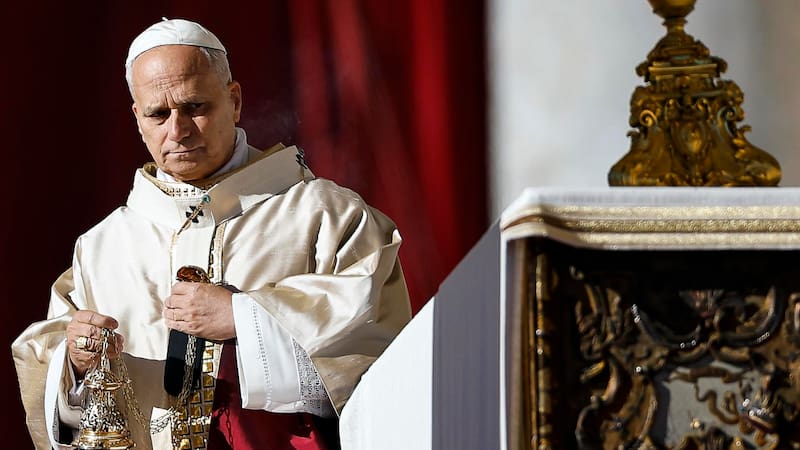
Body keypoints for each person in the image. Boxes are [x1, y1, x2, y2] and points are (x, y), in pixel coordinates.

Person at [12, 18, 411, 450]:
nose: (178, 131)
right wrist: (75, 364)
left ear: (234, 100)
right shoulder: (101, 247)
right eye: (158, 114)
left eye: (195, 107)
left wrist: (245, 319)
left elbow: (382, 354)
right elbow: (60, 401)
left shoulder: (324, 214)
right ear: (137, 118)